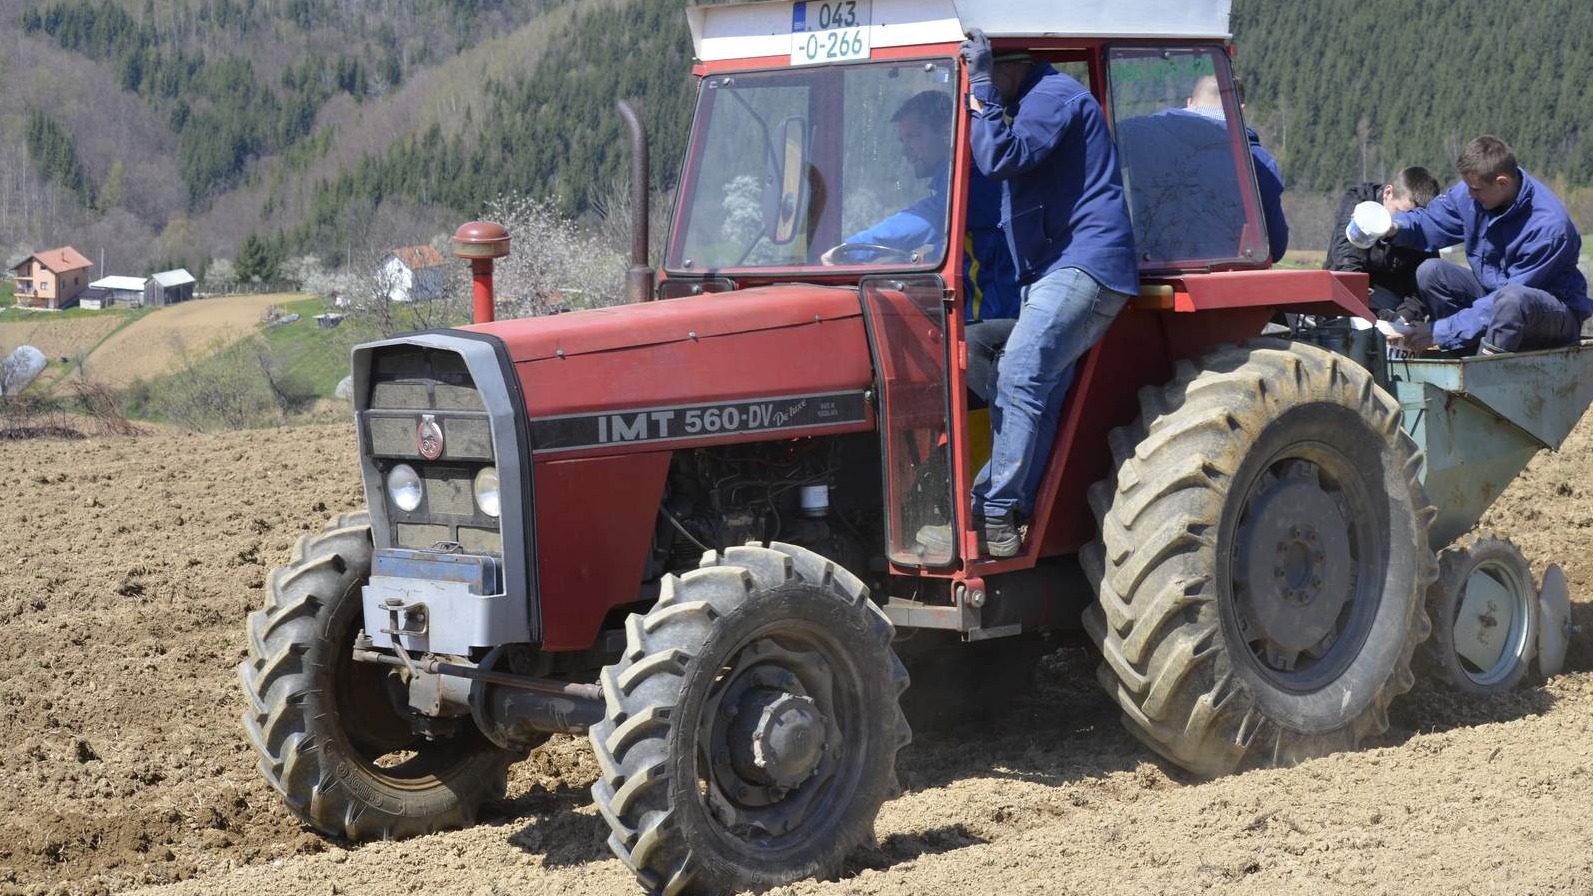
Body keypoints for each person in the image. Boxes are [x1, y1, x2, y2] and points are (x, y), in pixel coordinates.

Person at [920, 31, 1139, 558]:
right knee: (991, 359)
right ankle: (1016, 506)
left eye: (986, 71)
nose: (980, 87)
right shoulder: (1034, 100)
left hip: (1085, 265)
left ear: (1007, 67)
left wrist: (983, 92)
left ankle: (993, 508)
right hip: (1049, 272)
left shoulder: (1051, 99)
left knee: (1020, 369)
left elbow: (997, 158)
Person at [1380, 136, 1591, 354]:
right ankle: (1458, 353)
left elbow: (1509, 298)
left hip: (1550, 315)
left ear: (1502, 182)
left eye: (1476, 189)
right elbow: (1432, 221)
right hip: (1495, 299)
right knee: (1431, 271)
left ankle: (1484, 371)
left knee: (1511, 301)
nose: (1469, 194)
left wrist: (1439, 331)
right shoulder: (1474, 193)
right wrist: (1393, 226)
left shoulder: (1549, 229)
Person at [824, 90, 1021, 321]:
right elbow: (946, 249)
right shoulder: (963, 179)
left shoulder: (974, 182)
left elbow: (927, 219)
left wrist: (848, 250)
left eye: (914, 136)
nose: (905, 150)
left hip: (996, 317)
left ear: (948, 132)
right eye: (902, 140)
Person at [1186, 74, 1289, 263]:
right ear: (1240, 109)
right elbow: (1275, 245)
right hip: (1230, 274)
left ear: (1189, 102)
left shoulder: (1151, 140)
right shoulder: (1260, 162)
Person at [1324, 166, 1442, 321]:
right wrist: (1372, 316)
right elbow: (1346, 262)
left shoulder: (1423, 227)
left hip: (1394, 297)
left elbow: (1421, 287)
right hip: (1352, 290)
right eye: (1401, 213)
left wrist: (1404, 318)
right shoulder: (1360, 204)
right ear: (1388, 193)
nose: (1406, 222)